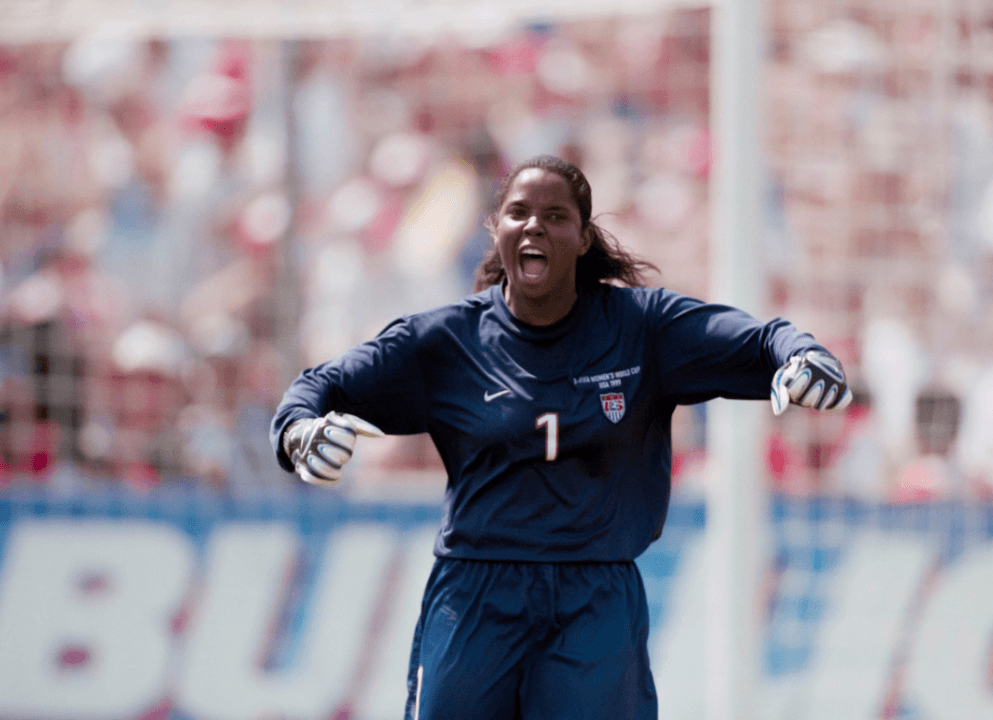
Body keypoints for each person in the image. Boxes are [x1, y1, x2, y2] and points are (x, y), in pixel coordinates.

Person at [270, 154, 851, 719]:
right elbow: (319, 386)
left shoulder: (641, 327)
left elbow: (759, 340)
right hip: (474, 593)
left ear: (582, 236)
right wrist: (298, 431)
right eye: (519, 212)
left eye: (555, 216)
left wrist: (802, 358)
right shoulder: (445, 341)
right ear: (495, 230)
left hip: (594, 599)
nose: (534, 227)